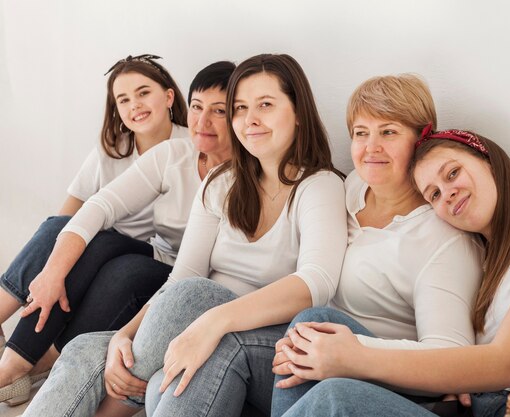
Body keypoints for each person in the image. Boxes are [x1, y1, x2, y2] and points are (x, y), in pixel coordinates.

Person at [23, 53, 347, 417]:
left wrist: (215, 320)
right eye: (240, 108)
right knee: (86, 348)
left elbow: (316, 283)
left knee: (193, 296)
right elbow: (182, 276)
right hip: (195, 321)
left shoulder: (321, 186)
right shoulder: (222, 183)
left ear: (299, 111)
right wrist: (125, 334)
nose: (250, 119)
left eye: (266, 105)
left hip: (266, 336)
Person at [272, 127, 510, 417]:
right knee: (312, 324)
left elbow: (507, 362)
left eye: (453, 173)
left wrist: (355, 356)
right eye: (433, 194)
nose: (447, 194)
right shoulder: (485, 261)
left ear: (489, 160)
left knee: (336, 397)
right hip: (476, 402)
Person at [0, 60, 235, 407]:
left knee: (121, 268)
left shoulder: (216, 156)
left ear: (169, 97)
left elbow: (194, 269)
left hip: (183, 277)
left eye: (219, 110)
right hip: (141, 252)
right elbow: (89, 208)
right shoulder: (167, 153)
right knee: (70, 233)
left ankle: (38, 361)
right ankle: (12, 364)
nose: (203, 121)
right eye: (198, 108)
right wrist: (51, 272)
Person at [270, 75, 483, 416]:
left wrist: (345, 351)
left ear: (420, 140)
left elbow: (450, 354)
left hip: (398, 384)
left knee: (315, 323)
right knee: (226, 336)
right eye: (360, 133)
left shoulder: (443, 238)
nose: (371, 147)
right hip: (326, 359)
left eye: (388, 132)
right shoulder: (353, 186)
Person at [0, 54, 186, 350]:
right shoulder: (112, 148)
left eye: (143, 93)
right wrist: (53, 267)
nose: (134, 105)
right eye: (123, 100)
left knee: (102, 250)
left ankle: (34, 355)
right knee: (57, 228)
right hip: (97, 245)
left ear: (168, 96)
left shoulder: (190, 147)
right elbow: (67, 216)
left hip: (143, 255)